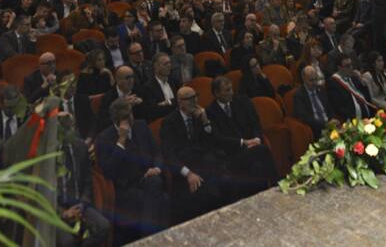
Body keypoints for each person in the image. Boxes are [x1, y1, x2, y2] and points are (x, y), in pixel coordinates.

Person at [95, 98, 166, 241]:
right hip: (125, 188)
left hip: (147, 177)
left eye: (130, 114)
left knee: (155, 181)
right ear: (116, 120)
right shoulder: (104, 139)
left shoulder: (141, 126)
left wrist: (157, 168)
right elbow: (109, 171)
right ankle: (152, 238)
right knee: (160, 198)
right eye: (125, 118)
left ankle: (148, 238)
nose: (130, 119)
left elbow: (157, 152)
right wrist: (121, 141)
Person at [160, 86, 227, 222]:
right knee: (203, 193)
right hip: (184, 170)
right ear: (180, 102)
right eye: (189, 99)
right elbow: (169, 154)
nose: (194, 101)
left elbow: (211, 143)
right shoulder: (169, 122)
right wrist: (188, 173)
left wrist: (205, 121)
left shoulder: (199, 116)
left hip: (203, 164)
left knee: (224, 181)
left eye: (195, 97)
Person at [207, 76, 276, 198]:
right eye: (227, 90)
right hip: (231, 155)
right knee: (263, 150)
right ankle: (276, 185)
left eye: (231, 89)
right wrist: (243, 142)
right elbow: (218, 139)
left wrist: (257, 139)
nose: (231, 93)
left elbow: (255, 123)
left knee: (257, 167)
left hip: (252, 148)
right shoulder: (210, 112)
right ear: (216, 93)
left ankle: (265, 196)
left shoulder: (241, 101)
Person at [292, 65, 333, 139]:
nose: (314, 83)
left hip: (330, 125)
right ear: (304, 79)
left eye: (316, 79)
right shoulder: (299, 95)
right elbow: (305, 118)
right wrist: (325, 124)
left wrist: (332, 119)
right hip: (316, 129)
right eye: (311, 80)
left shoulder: (321, 89)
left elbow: (329, 108)